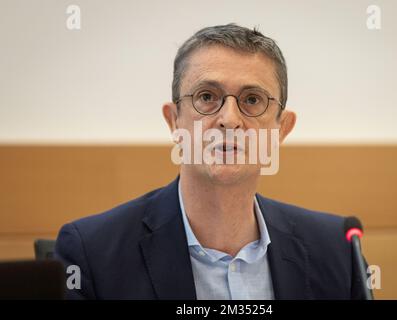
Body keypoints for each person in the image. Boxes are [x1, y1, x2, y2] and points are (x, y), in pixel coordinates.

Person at [55, 23, 368, 299]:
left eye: (252, 100)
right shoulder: (92, 253)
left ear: (281, 129)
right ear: (174, 120)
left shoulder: (338, 249)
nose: (229, 120)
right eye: (207, 97)